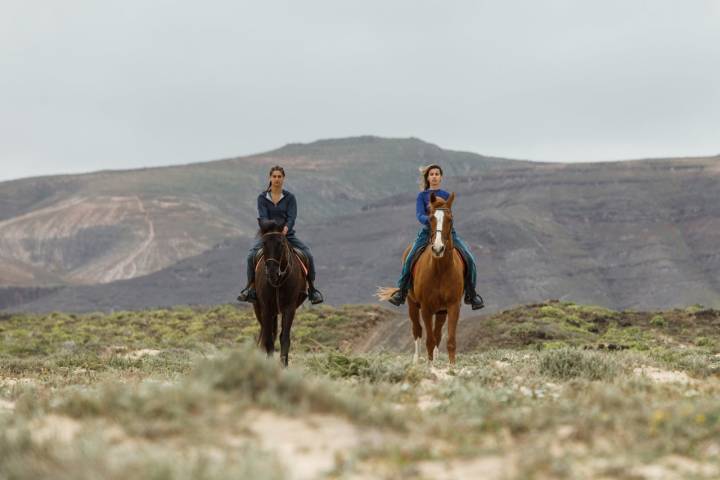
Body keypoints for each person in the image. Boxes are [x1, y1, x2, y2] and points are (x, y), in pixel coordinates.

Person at [388, 164, 484, 310]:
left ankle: (472, 294)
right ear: (428, 178)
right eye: (431, 174)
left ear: (441, 177)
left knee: (469, 258)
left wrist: (444, 221)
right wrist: (430, 219)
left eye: (437, 174)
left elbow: (448, 214)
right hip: (427, 232)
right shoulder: (422, 196)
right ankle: (401, 292)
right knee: (409, 257)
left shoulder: (446, 195)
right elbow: (419, 214)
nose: (434, 176)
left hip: (447, 233)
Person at [237, 165, 324, 304]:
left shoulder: (290, 198)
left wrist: (286, 228)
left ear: (283, 178)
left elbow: (292, 217)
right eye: (274, 176)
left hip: (286, 235)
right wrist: (273, 228)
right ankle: (251, 288)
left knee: (307, 254)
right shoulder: (262, 198)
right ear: (270, 178)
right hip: (269, 236)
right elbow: (263, 217)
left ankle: (312, 290)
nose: (277, 179)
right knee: (250, 256)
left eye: (279, 176)